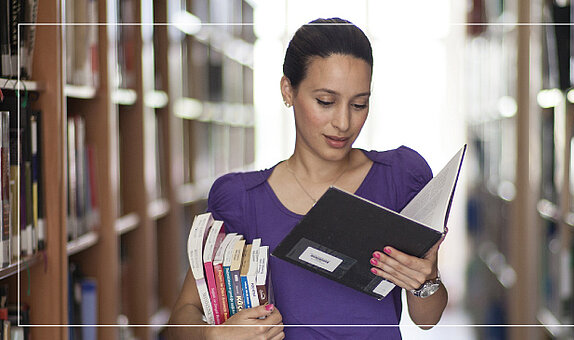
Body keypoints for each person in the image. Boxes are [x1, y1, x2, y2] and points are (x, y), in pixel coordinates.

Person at [168, 17, 447, 339]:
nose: (343, 122)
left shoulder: (401, 176)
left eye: (359, 104)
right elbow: (179, 320)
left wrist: (427, 279)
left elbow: (427, 319)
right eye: (325, 102)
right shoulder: (242, 199)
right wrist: (213, 336)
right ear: (288, 90)